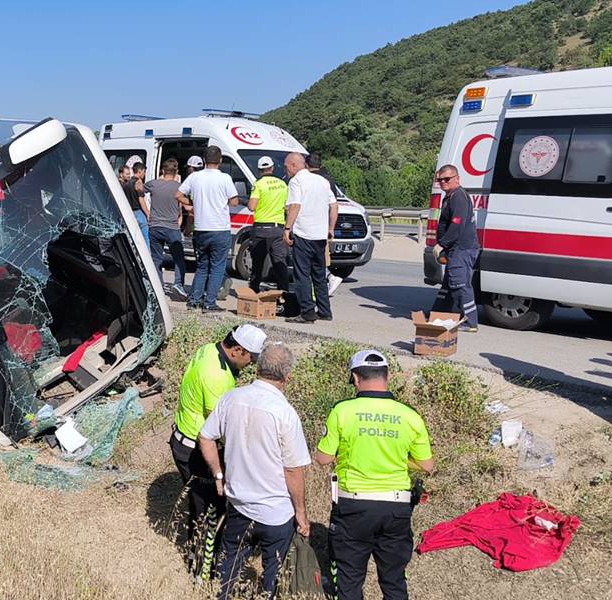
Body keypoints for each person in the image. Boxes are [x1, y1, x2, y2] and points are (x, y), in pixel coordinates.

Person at [313, 349, 435, 600]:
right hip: (396, 507)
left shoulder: (342, 411)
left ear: (355, 379)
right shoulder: (410, 415)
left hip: (353, 507)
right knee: (393, 580)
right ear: (388, 376)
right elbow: (426, 465)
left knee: (349, 579)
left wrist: (347, 454)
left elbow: (322, 458)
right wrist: (399, 461)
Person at [198, 344, 310, 600]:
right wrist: (301, 514)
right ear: (288, 377)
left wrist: (218, 474)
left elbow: (205, 437)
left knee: (227, 571)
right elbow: (293, 470)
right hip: (276, 512)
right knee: (274, 575)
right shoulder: (285, 413)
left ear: (257, 368)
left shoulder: (231, 398)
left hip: (238, 505)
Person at [172, 324, 266, 577]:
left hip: (183, 438)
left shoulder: (209, 350)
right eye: (251, 358)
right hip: (197, 450)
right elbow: (220, 426)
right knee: (209, 508)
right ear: (237, 350)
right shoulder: (217, 377)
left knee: (200, 504)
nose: (252, 364)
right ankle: (201, 567)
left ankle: (201, 558)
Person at [176, 146, 239, 313]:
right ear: (220, 160)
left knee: (202, 265)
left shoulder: (195, 177)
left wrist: (191, 206)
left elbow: (178, 195)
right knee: (217, 267)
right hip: (220, 228)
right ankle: (209, 303)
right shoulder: (225, 178)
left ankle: (194, 300)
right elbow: (234, 202)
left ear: (204, 160)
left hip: (201, 228)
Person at [283, 152, 337, 323]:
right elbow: (334, 206)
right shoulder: (322, 181)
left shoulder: (296, 181)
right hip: (320, 236)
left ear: (293, 165)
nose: (286, 170)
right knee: (319, 275)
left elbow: (295, 206)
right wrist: (330, 228)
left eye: (286, 166)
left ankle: (307, 312)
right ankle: (325, 310)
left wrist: (287, 228)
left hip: (303, 233)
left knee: (302, 275)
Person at [430, 164, 479, 332]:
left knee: (460, 285)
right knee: (449, 285)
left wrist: (442, 243)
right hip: (455, 249)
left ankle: (470, 322)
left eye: (447, 179)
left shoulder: (458, 197)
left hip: (461, 248)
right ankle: (438, 315)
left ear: (457, 179)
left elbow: (457, 225)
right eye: (440, 180)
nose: (443, 182)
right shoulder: (450, 196)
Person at [247, 155, 289, 293]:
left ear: (259, 170)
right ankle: (284, 293)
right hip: (277, 228)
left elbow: (252, 206)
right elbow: (288, 206)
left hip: (260, 229)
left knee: (257, 263)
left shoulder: (258, 184)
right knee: (279, 263)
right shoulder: (283, 185)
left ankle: (254, 292)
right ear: (272, 168)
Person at [146, 158, 187, 298]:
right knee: (178, 258)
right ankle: (178, 284)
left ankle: (158, 286)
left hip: (155, 227)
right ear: (176, 172)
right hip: (172, 227)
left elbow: (138, 187)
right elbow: (185, 203)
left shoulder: (153, 184)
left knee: (156, 258)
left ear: (163, 170)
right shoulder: (179, 187)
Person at [307, 154, 345, 296]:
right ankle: (325, 282)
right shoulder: (329, 179)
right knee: (320, 257)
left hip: (314, 224)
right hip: (324, 224)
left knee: (315, 259)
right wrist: (331, 227)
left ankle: (327, 280)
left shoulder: (313, 180)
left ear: (306, 165)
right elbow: (334, 205)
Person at [123, 162, 151, 248]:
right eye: (144, 171)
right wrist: (148, 214)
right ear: (139, 171)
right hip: (139, 213)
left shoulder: (126, 183)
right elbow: (141, 200)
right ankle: (148, 257)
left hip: (130, 213)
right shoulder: (139, 182)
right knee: (145, 238)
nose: (144, 174)